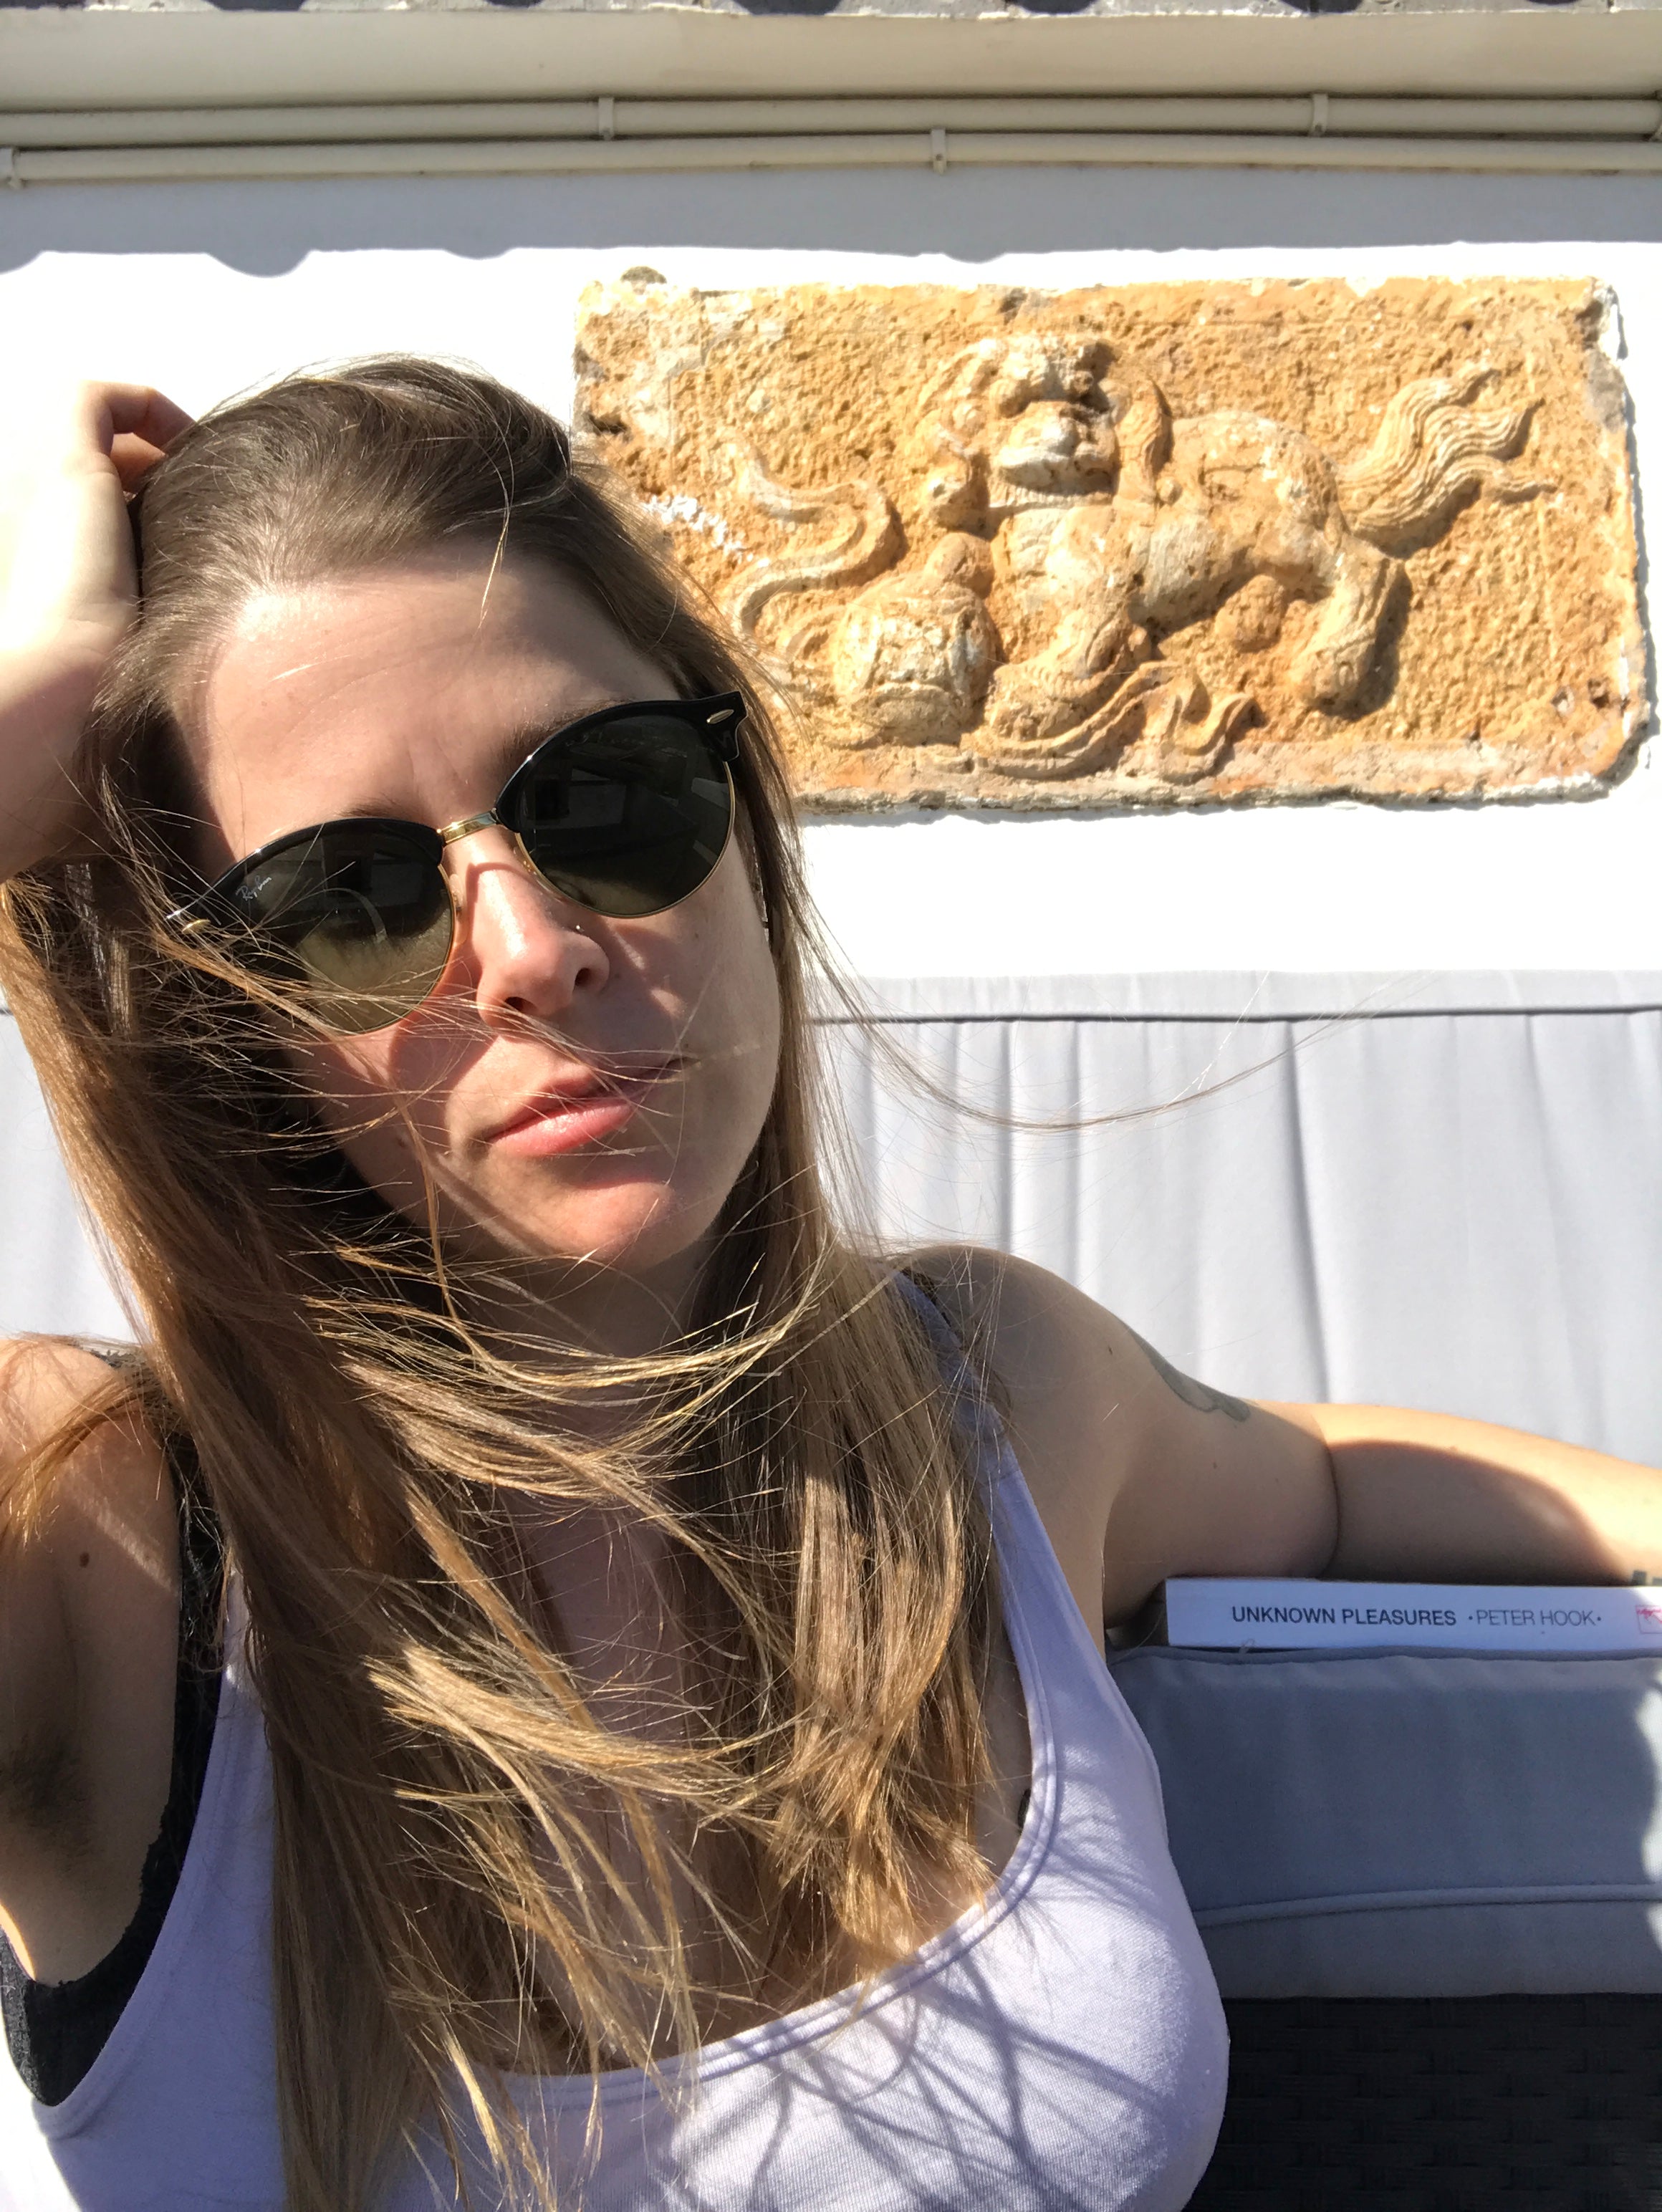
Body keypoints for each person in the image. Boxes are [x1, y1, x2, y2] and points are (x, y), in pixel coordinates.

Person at [0, 360, 1654, 2212]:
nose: (532, 948)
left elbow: (1325, 1481)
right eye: (346, 898)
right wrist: (28, 717)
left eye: (608, 799)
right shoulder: (91, 1543)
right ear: (221, 1019)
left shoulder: (986, 1390)